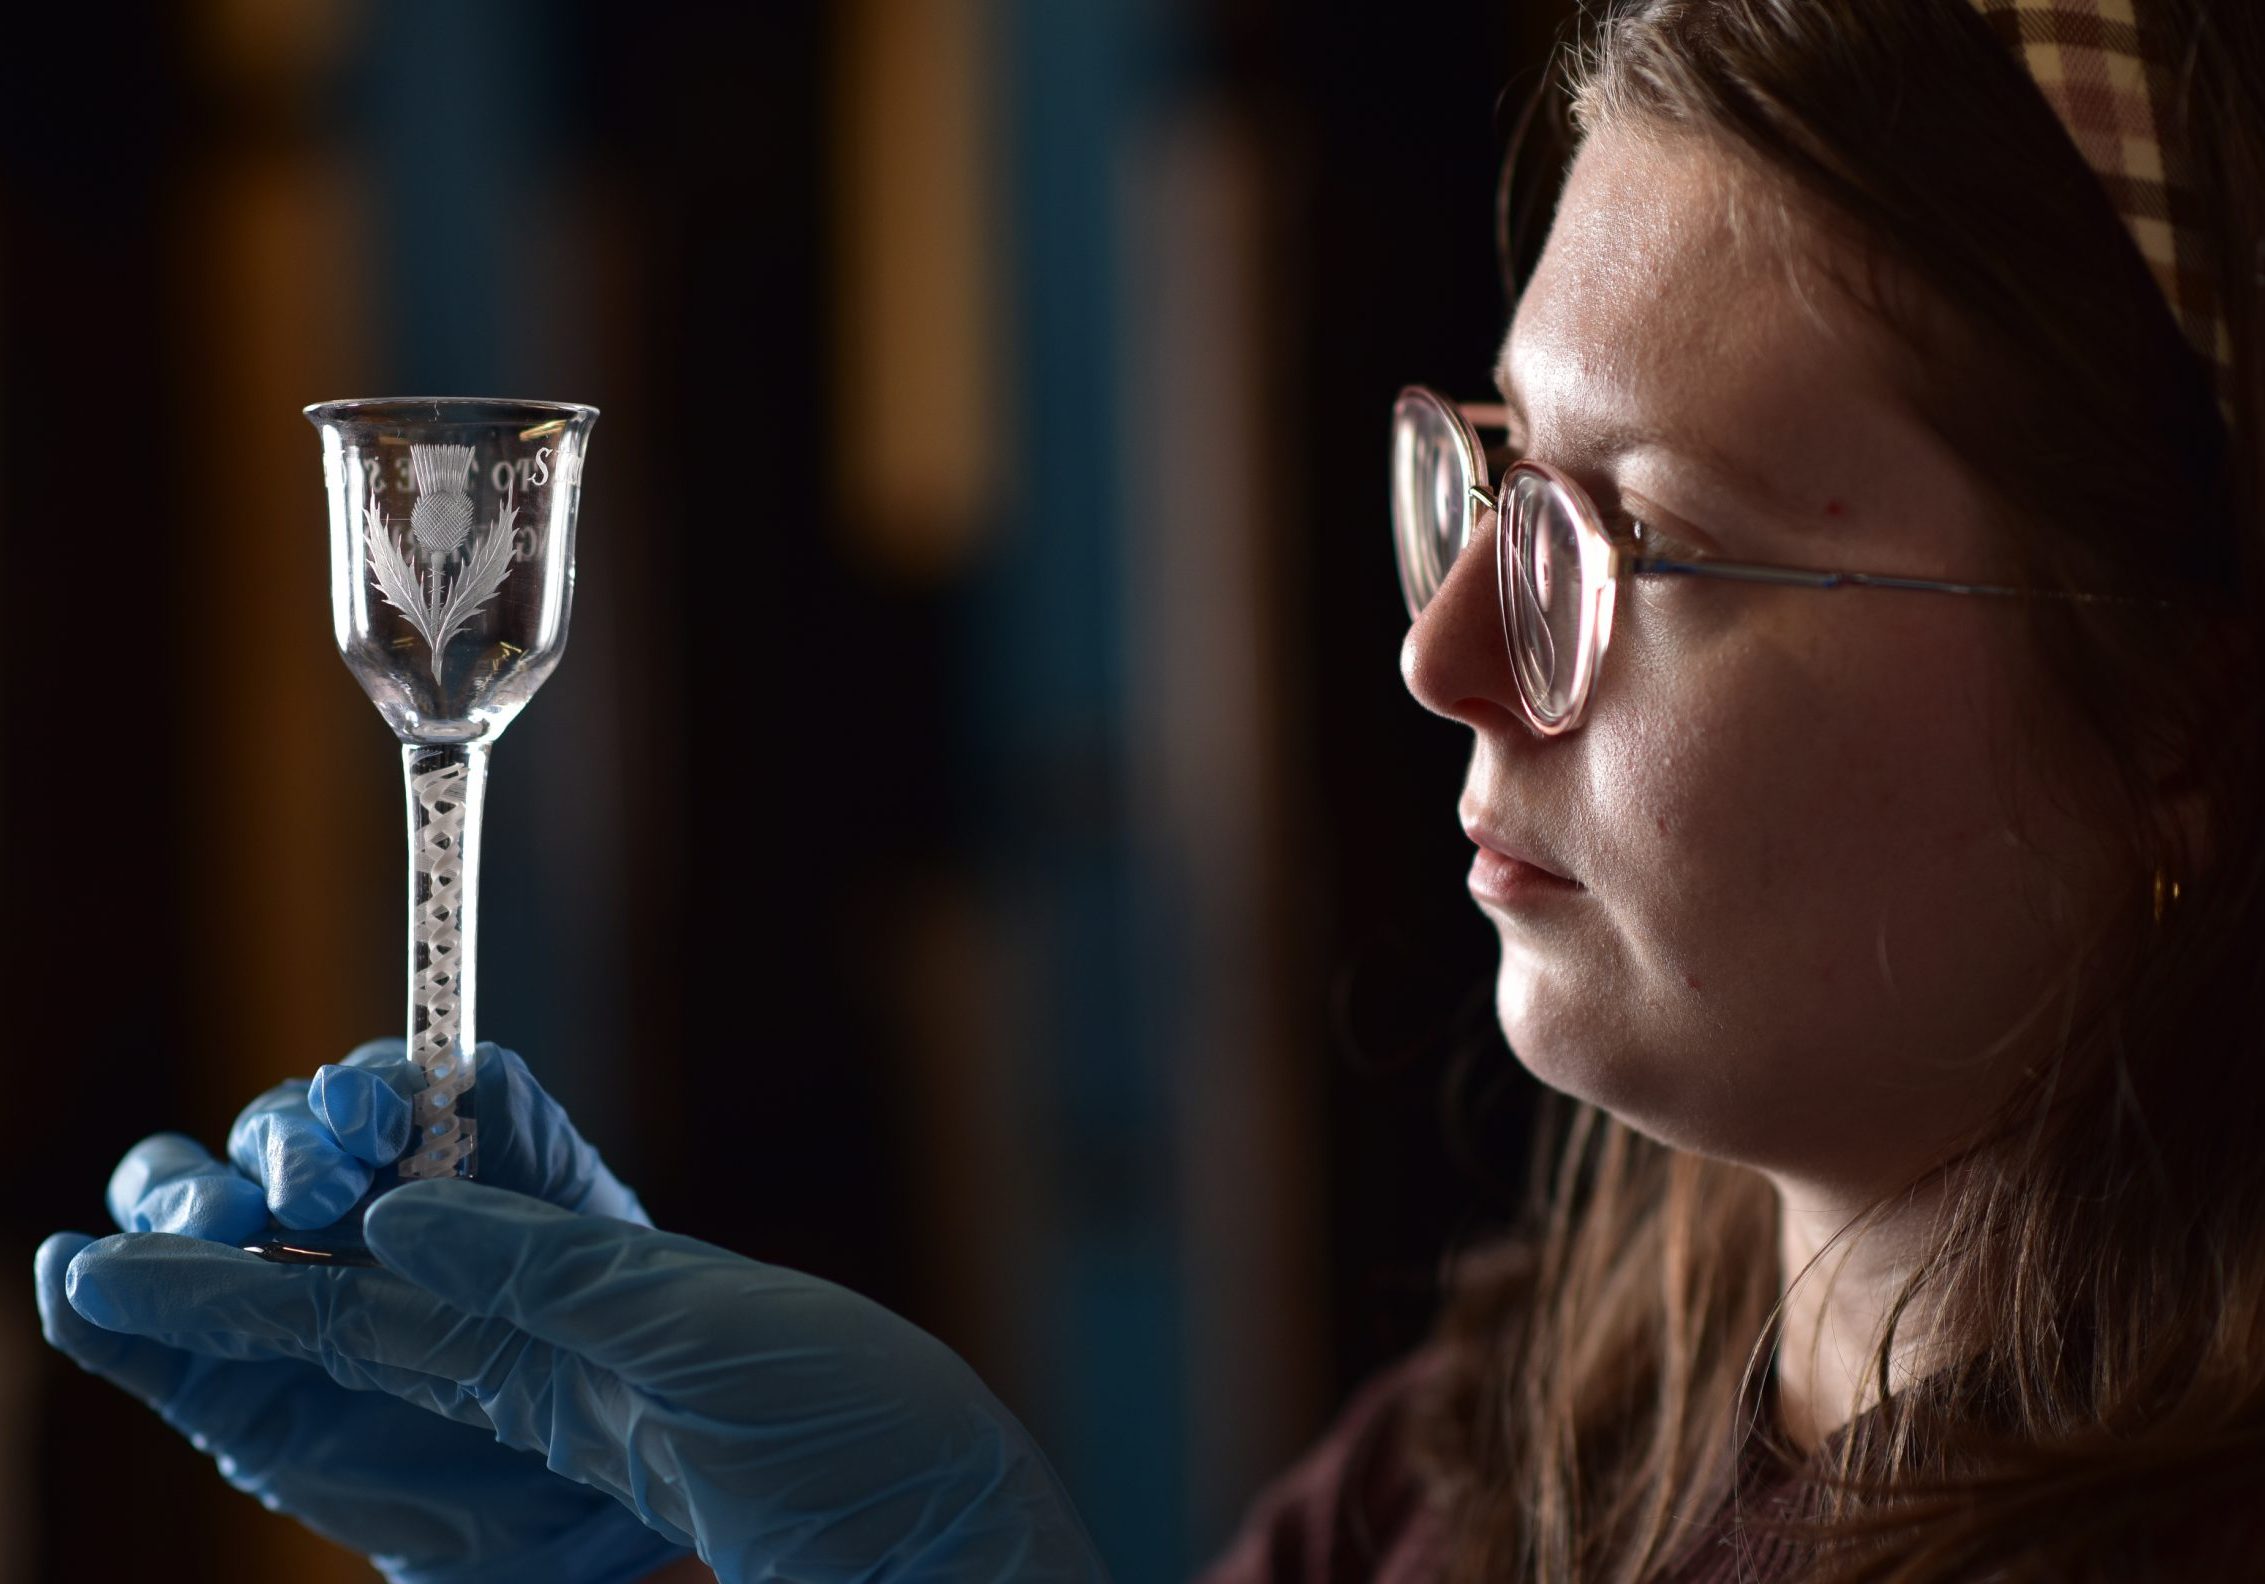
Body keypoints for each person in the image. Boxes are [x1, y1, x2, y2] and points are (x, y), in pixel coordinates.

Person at [36, 1, 2265, 1579]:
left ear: (2169, 704)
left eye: (1629, 543)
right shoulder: (1486, 1459)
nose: (1444, 652)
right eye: (1491, 486)